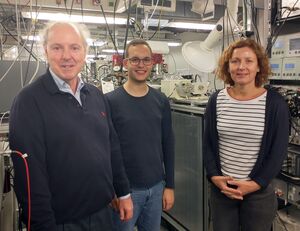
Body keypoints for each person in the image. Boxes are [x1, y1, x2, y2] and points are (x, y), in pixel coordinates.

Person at [9, 21, 133, 231]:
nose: (67, 56)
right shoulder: (29, 101)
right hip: (61, 222)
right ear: (46, 52)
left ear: (84, 52)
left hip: (104, 214)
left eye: (74, 47)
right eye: (57, 47)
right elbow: (30, 180)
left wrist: (124, 193)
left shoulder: (95, 95)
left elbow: (112, 147)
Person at [203, 38, 289, 231]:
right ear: (228, 66)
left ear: (259, 66)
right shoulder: (216, 100)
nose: (241, 67)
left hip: (258, 193)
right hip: (222, 191)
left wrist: (256, 184)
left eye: (249, 61)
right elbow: (208, 144)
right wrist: (214, 177)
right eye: (235, 61)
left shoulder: (275, 104)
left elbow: (278, 151)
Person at [106, 39, 175, 231]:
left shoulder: (160, 100)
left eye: (146, 60)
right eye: (135, 60)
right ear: (126, 63)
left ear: (152, 63)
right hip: (125, 192)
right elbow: (105, 149)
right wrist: (113, 190)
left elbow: (168, 144)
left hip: (155, 188)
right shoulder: (110, 101)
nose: (141, 65)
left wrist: (169, 185)